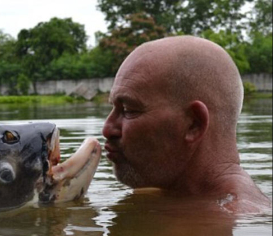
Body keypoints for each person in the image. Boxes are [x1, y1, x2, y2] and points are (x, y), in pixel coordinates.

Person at [102, 35, 271, 214]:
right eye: (114, 108)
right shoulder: (166, 193)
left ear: (193, 124)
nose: (107, 129)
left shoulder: (217, 223)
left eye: (128, 110)